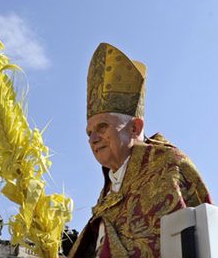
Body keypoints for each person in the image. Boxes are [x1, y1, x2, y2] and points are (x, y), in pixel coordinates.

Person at [69, 43, 212, 257]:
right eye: (89, 133)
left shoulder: (168, 167)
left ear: (135, 127)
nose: (94, 139)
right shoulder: (107, 194)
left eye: (102, 127)